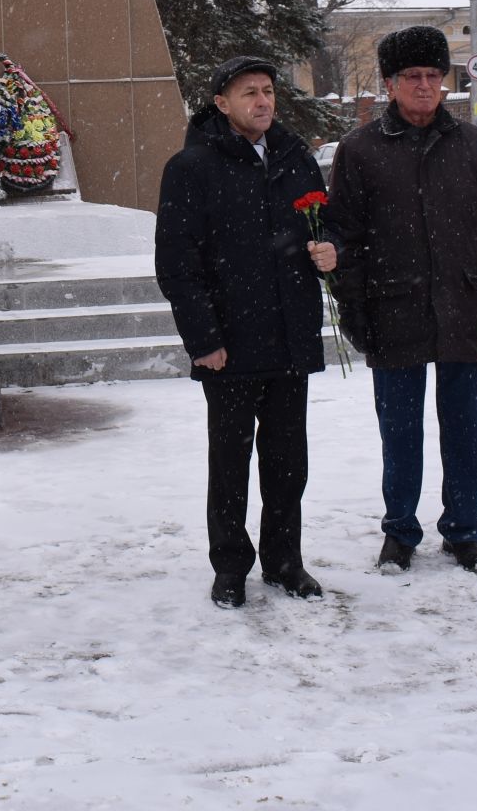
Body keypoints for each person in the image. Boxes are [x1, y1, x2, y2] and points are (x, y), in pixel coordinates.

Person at [325, 26, 477, 574]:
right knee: (400, 432)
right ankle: (400, 532)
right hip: (394, 311)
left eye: (433, 76)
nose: (424, 86)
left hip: (465, 306)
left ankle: (463, 529)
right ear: (390, 83)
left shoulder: (475, 146)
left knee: (465, 428)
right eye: (412, 77)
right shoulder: (361, 151)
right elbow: (348, 238)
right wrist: (355, 309)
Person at [155, 56, 336, 610]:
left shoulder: (296, 159)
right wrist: (204, 339)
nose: (263, 102)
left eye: (268, 92)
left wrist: (333, 252)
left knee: (288, 462)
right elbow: (177, 263)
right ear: (222, 103)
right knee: (229, 464)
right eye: (249, 93)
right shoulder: (191, 167)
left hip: (289, 336)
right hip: (230, 345)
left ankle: (285, 561)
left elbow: (324, 229)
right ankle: (230, 564)